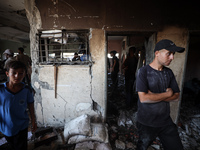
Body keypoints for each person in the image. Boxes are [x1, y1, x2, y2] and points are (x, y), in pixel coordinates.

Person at [136, 39, 184, 150]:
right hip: (146, 122)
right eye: (169, 54)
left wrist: (153, 96)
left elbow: (176, 97)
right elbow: (143, 98)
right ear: (157, 53)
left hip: (165, 121)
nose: (172, 57)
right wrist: (167, 94)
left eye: (173, 54)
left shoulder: (169, 73)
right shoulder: (143, 72)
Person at [0, 60, 37, 150]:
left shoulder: (26, 90)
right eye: (14, 73)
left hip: (22, 125)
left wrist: (33, 120)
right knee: (11, 145)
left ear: (24, 74)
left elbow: (31, 105)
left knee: (21, 147)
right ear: (7, 74)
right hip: (6, 126)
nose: (17, 76)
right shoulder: (1, 90)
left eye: (21, 73)